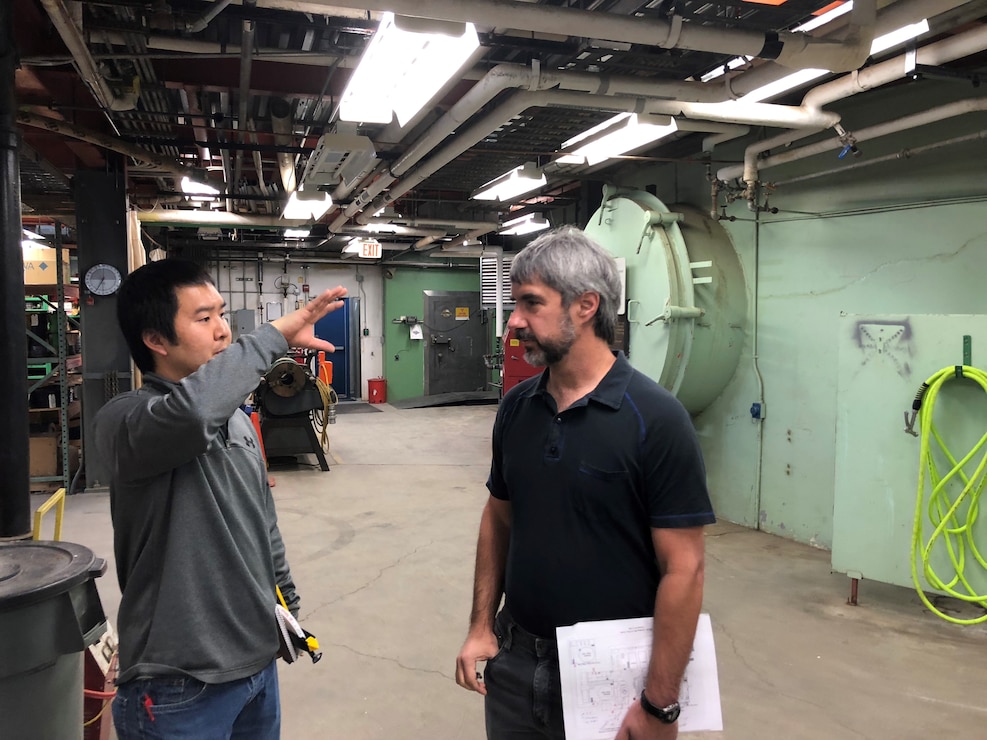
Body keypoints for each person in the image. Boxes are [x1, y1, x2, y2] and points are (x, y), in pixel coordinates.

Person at [455, 228, 715, 739]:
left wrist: (661, 705)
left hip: (613, 676)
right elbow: (499, 516)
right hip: (515, 662)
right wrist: (481, 625)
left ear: (586, 306)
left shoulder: (656, 420)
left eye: (531, 304)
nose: (514, 322)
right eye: (515, 304)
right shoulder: (516, 408)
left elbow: (684, 568)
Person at [94, 258, 346, 739]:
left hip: (255, 665)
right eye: (203, 318)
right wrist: (275, 335)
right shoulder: (126, 421)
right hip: (178, 683)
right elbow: (191, 415)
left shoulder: (231, 417)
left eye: (222, 314)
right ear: (155, 339)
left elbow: (260, 517)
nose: (223, 332)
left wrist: (284, 601)